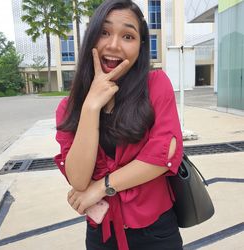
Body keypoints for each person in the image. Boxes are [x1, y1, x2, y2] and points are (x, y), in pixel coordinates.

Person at [54, 0, 183, 249]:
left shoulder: (155, 85)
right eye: (104, 32)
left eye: (127, 36)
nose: (113, 45)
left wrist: (102, 187)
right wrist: (91, 106)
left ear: (140, 45)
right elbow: (79, 180)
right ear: (91, 38)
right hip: (101, 234)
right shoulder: (69, 108)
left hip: (156, 231)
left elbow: (163, 155)